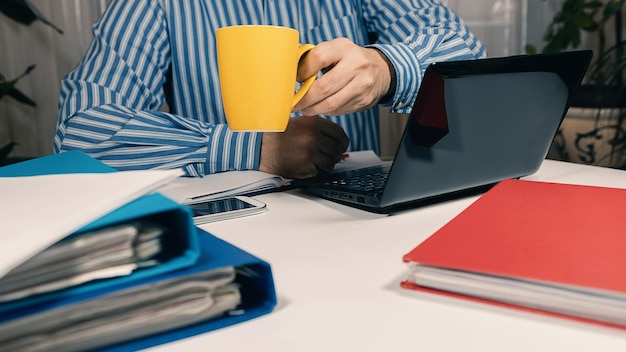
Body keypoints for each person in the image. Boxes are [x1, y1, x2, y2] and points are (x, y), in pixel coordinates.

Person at [54, 0, 486, 179]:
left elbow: (467, 55)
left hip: (356, 217)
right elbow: (80, 130)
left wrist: (388, 67)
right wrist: (257, 150)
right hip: (228, 228)